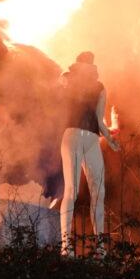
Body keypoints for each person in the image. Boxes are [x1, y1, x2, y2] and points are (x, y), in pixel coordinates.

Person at [57, 51, 119, 258]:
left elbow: (100, 121)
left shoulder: (99, 87)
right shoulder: (68, 79)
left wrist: (111, 138)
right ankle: (66, 246)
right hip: (73, 135)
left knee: (98, 191)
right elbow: (55, 99)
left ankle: (100, 248)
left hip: (91, 139)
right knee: (72, 191)